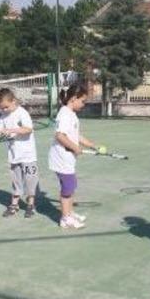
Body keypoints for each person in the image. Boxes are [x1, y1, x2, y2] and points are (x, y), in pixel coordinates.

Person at [48, 83, 98, 229]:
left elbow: (75, 135)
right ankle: (65, 218)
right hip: (61, 157)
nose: (83, 105)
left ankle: (69, 213)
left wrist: (90, 144)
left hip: (68, 158)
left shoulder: (71, 114)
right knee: (68, 187)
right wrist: (75, 148)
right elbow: (60, 136)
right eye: (82, 101)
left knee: (71, 185)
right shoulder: (64, 114)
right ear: (74, 99)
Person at [0, 88, 39, 218]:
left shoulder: (22, 113)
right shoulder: (3, 116)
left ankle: (31, 204)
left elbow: (28, 129)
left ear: (13, 101)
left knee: (30, 181)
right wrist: (0, 134)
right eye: (1, 108)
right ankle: (14, 204)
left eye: (6, 107)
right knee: (16, 181)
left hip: (28, 156)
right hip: (13, 156)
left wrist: (12, 130)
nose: (4, 110)